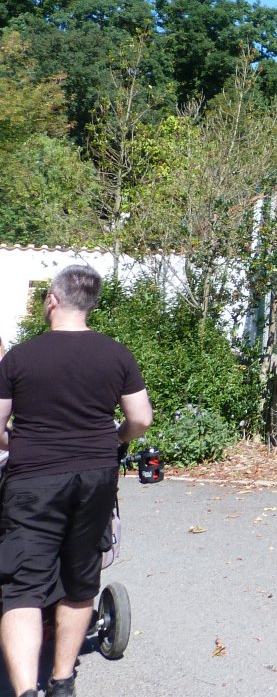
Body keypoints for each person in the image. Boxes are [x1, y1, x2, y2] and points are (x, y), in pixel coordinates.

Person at [0, 265, 152, 697]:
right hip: (95, 476)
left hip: (33, 479)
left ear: (52, 299)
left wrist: (18, 441)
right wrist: (115, 437)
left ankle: (26, 690)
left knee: (23, 586)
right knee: (81, 578)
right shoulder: (117, 354)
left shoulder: (19, 358)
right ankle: (62, 681)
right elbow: (140, 419)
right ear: (91, 305)